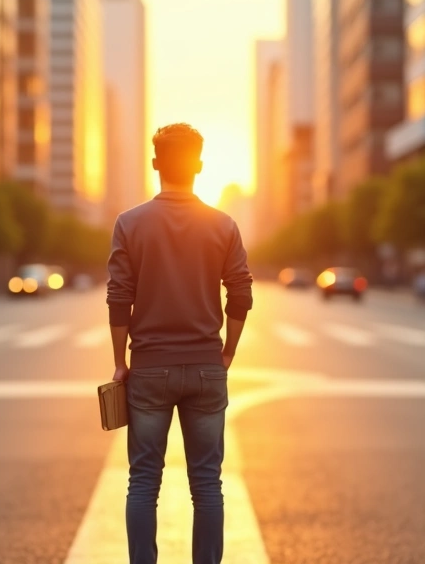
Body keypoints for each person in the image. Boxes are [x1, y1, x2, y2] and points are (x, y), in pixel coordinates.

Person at [106, 123, 253, 564]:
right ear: (199, 166)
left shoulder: (129, 224)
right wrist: (226, 352)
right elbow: (241, 293)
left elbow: (119, 299)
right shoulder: (223, 225)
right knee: (207, 483)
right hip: (207, 366)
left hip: (149, 367)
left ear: (155, 164)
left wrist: (120, 363)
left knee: (143, 481)